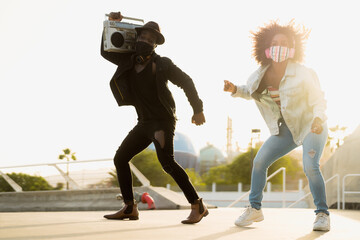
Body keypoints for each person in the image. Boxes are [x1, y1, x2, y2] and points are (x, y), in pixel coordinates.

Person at [101, 12, 208, 224]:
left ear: (155, 44)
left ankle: (197, 205)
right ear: (137, 38)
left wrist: (197, 109)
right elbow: (105, 51)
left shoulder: (162, 64)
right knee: (120, 158)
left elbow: (187, 81)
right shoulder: (128, 61)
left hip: (162, 121)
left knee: (167, 163)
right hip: (144, 123)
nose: (145, 42)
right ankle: (130, 207)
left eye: (151, 40)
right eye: (143, 38)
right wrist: (111, 24)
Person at [223, 20, 330, 231]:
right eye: (275, 42)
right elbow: (250, 90)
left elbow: (318, 99)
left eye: (284, 42)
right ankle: (254, 208)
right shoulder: (260, 74)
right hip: (285, 129)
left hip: (311, 124)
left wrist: (318, 119)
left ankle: (322, 214)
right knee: (260, 161)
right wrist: (234, 89)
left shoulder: (304, 72)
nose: (279, 46)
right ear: (267, 49)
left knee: (310, 166)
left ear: (292, 49)